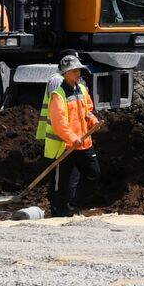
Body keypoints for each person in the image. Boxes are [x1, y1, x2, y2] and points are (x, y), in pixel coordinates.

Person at [45, 54, 101, 217]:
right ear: (65, 73)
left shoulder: (82, 89)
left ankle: (75, 204)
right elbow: (59, 122)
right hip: (65, 146)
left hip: (84, 143)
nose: (78, 73)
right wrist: (71, 138)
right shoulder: (58, 94)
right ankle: (58, 214)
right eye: (74, 70)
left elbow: (87, 111)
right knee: (60, 184)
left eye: (78, 70)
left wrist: (93, 121)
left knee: (93, 174)